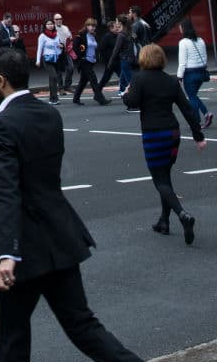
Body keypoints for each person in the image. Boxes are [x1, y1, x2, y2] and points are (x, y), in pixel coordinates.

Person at [0, 48, 185, 362]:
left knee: (13, 339)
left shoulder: (0, 125)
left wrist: (8, 252)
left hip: (23, 250)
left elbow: (6, 189)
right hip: (61, 239)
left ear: (0, 80)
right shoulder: (49, 114)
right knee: (86, 329)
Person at [123, 42, 205, 242]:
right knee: (165, 176)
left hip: (153, 134)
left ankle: (182, 215)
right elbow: (187, 109)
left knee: (159, 180)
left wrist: (126, 93)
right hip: (173, 133)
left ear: (143, 59)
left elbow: (132, 102)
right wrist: (198, 136)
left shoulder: (139, 78)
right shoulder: (170, 81)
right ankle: (164, 221)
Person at [176, 19, 211, 129]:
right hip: (201, 72)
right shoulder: (201, 40)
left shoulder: (183, 42)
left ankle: (196, 122)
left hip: (190, 74)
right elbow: (205, 57)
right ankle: (206, 113)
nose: (179, 29)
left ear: (184, 29)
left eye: (180, 27)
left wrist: (179, 76)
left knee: (191, 97)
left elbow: (182, 62)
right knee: (193, 96)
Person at [71, 19, 110, 106]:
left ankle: (76, 98)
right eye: (91, 26)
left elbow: (94, 47)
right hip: (84, 61)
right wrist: (81, 57)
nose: (93, 28)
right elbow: (75, 47)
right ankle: (100, 99)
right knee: (93, 79)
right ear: (86, 26)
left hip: (91, 61)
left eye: (94, 26)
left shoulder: (92, 35)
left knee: (83, 81)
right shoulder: (81, 35)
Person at [35, 19, 64, 104]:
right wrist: (38, 60)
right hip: (47, 59)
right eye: (48, 24)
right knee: (53, 76)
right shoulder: (42, 36)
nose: (50, 26)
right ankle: (54, 99)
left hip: (56, 58)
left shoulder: (56, 35)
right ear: (45, 26)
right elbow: (39, 48)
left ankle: (52, 98)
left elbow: (59, 46)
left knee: (53, 78)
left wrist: (61, 47)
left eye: (51, 24)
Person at [52, 12, 74, 92]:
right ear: (54, 20)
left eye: (60, 19)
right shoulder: (52, 29)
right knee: (59, 71)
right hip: (56, 52)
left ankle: (67, 86)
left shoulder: (65, 27)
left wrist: (70, 44)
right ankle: (60, 88)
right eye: (57, 19)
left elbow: (70, 38)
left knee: (71, 68)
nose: (59, 20)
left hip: (66, 51)